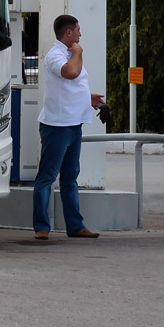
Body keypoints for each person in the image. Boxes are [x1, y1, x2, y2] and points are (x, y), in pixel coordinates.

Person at [33, 14, 106, 240]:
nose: (80, 34)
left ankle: (75, 225)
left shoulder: (68, 54)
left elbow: (72, 84)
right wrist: (78, 52)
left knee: (70, 178)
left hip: (73, 125)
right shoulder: (56, 55)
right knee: (47, 176)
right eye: (78, 30)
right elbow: (71, 73)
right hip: (57, 126)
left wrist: (88, 97)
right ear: (68, 33)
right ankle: (41, 227)